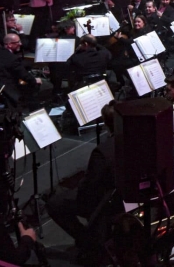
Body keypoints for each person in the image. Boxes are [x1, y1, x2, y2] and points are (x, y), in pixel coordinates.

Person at [46, 102, 117, 263]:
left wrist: (80, 186)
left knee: (55, 203)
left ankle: (89, 241)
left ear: (106, 124)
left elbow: (88, 187)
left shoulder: (102, 151)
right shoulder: (137, 139)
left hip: (104, 202)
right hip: (123, 196)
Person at [0, 33, 41, 106]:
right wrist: (34, 80)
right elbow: (24, 75)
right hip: (6, 91)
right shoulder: (12, 58)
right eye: (18, 42)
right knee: (33, 86)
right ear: (9, 45)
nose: (21, 44)